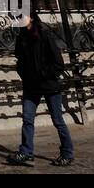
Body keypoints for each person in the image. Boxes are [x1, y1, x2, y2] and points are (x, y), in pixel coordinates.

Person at [7, 14, 75, 167]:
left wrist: (43, 74)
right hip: (31, 87)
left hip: (49, 85)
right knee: (27, 119)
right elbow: (20, 61)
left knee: (58, 121)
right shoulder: (21, 38)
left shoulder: (45, 36)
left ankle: (67, 153)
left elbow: (58, 63)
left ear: (30, 18)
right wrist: (24, 74)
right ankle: (26, 152)